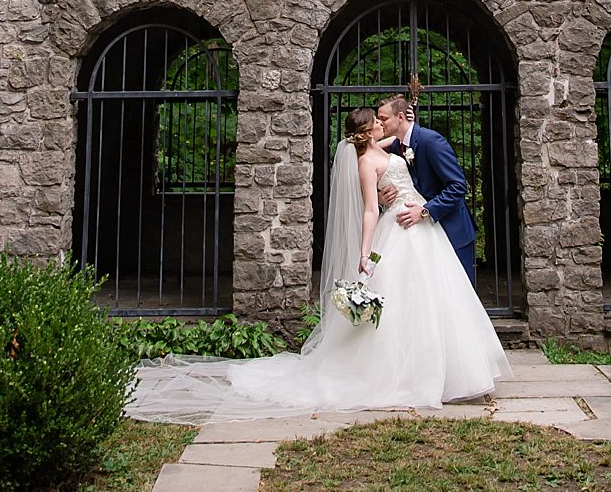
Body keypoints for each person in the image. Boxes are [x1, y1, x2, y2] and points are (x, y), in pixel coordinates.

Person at [121, 105, 509, 421]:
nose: (381, 123)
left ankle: (447, 373)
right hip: (396, 226)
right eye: (376, 121)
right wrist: (364, 251)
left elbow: (404, 138)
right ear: (367, 132)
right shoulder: (367, 162)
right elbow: (370, 210)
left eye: (383, 118)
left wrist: (408, 118)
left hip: (421, 227)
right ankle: (407, 374)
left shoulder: (390, 147)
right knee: (402, 300)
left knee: (433, 298)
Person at [374, 93, 480, 285]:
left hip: (452, 231)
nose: (380, 124)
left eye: (383, 119)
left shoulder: (430, 141)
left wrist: (425, 211)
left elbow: (458, 186)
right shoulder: (397, 145)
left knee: (459, 295)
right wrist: (379, 197)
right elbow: (367, 153)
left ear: (400, 117)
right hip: (427, 237)